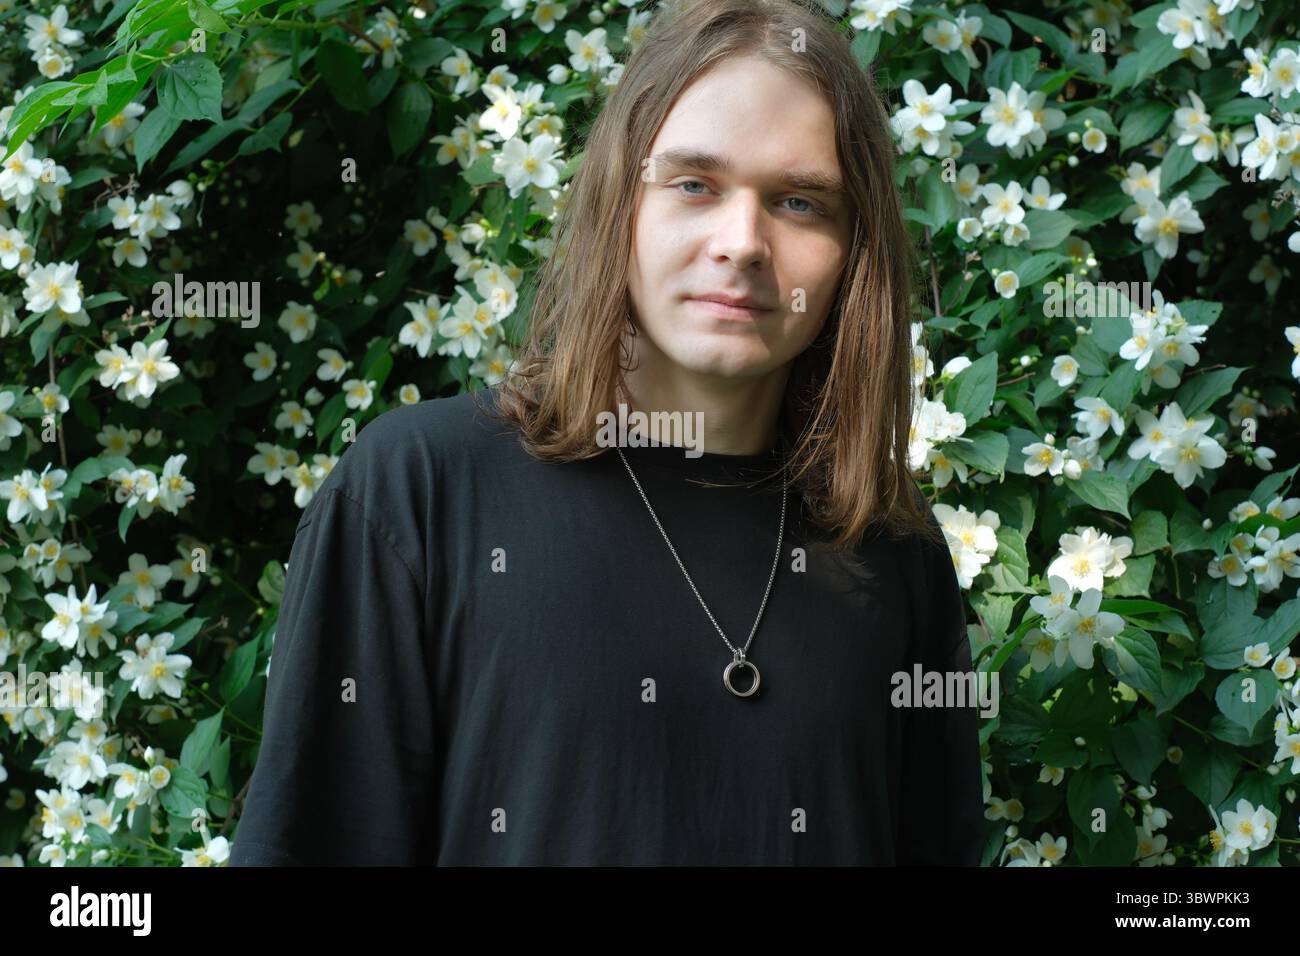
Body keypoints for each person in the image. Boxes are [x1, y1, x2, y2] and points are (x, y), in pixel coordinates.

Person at [230, 0, 986, 866]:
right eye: (695, 184)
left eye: (800, 202)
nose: (742, 243)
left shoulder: (893, 550)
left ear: (854, 251)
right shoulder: (420, 494)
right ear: (617, 201)